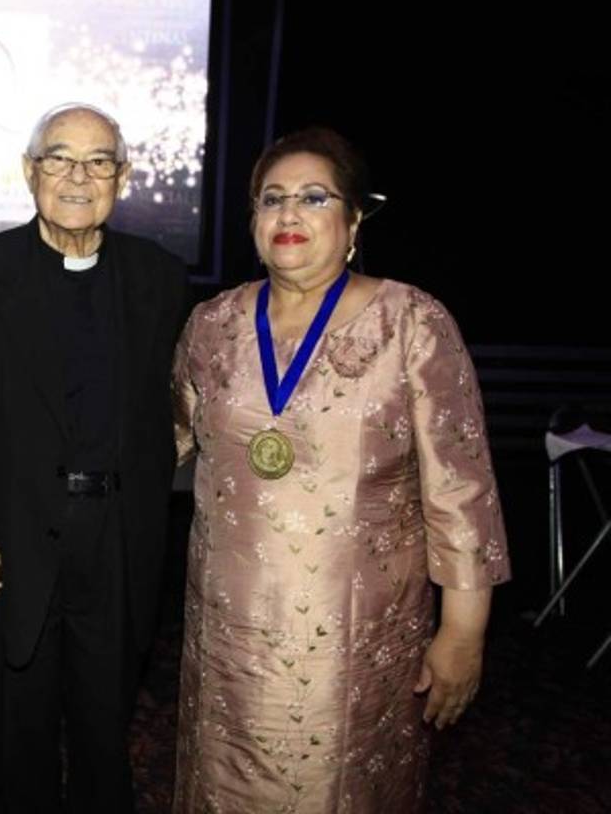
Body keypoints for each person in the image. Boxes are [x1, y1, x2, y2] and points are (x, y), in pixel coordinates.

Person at [171, 128, 510, 813]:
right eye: (272, 199)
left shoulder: (411, 323)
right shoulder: (213, 325)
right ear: (253, 221)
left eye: (314, 197)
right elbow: (163, 442)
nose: (289, 215)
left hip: (357, 647)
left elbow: (463, 492)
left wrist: (463, 633)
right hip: (227, 641)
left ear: (353, 221)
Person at [0, 103, 187, 813]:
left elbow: (180, 402)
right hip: (7, 544)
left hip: (119, 544)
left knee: (107, 735)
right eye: (59, 159)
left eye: (98, 162)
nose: (77, 177)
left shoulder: (159, 278)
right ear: (29, 172)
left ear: (122, 178)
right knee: (14, 739)